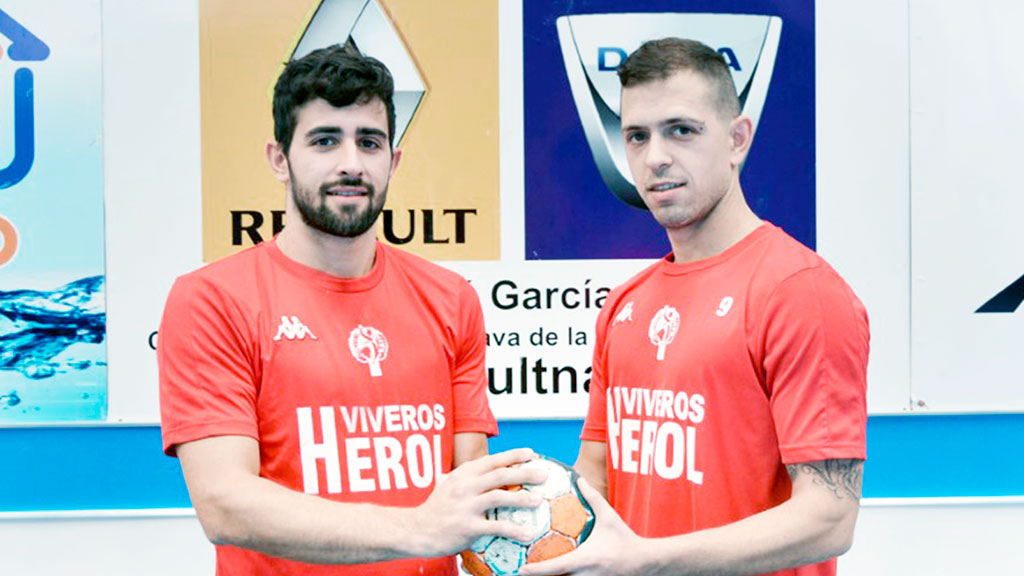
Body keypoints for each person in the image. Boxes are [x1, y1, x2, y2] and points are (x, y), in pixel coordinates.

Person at [157, 45, 545, 575]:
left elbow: (466, 486)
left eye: (369, 141)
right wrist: (416, 530)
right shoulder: (212, 299)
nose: (351, 163)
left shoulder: (451, 297)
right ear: (278, 159)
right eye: (324, 140)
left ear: (394, 159)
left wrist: (538, 526)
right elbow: (225, 504)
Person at [520, 38, 869, 576]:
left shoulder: (801, 292)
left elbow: (829, 518)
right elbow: (596, 480)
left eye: (681, 130)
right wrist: (524, 522)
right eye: (636, 136)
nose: (655, 156)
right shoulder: (625, 305)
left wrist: (649, 561)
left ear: (737, 139)